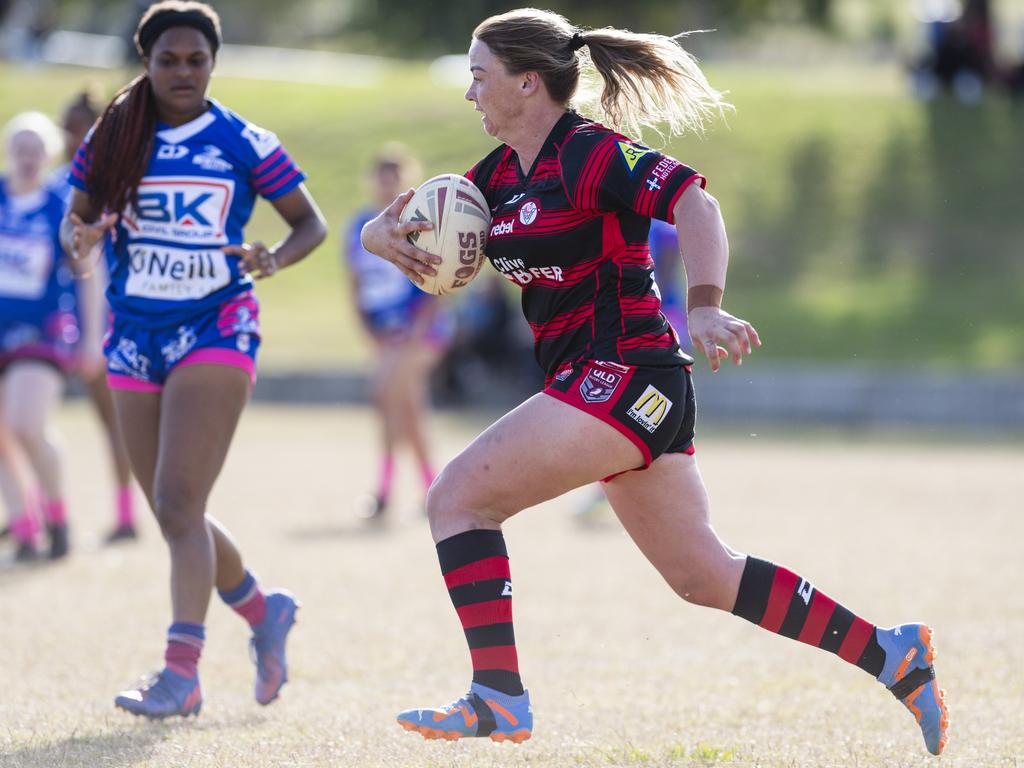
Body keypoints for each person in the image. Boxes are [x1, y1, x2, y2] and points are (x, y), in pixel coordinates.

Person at [360, 8, 949, 755]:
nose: (470, 93)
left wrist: (704, 307)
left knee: (457, 501)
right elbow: (380, 231)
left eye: (480, 76)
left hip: (626, 372)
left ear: (528, 82)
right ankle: (893, 652)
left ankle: (497, 696)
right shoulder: (495, 179)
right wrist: (388, 240)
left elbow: (694, 202)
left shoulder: (591, 154)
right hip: (611, 387)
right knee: (705, 576)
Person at [62, 0, 326, 719]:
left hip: (218, 325)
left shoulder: (242, 140)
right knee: (174, 511)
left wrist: (274, 256)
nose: (183, 71)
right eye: (168, 59)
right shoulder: (113, 137)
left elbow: (311, 223)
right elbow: (76, 223)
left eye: (197, 59)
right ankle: (264, 609)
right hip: (133, 335)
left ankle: (181, 676)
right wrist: (80, 237)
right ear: (145, 62)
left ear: (214, 62)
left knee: (179, 504)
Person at [50, 89, 140, 543]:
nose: (73, 135)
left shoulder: (112, 185)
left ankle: (126, 513)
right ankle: (36, 510)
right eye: (68, 125)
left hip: (103, 316)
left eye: (82, 126)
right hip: (52, 321)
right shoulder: (53, 184)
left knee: (114, 418)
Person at [343, 145, 451, 520]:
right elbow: (354, 286)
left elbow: (443, 278)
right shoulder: (359, 226)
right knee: (406, 408)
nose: (387, 181)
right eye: (381, 174)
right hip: (386, 336)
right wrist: (369, 331)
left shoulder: (419, 222)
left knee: (386, 395)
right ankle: (432, 488)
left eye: (395, 175)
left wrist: (417, 328)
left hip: (419, 334)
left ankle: (385, 492)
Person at [0, 111, 81, 561]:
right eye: (20, 149)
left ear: (48, 157)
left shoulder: (59, 207)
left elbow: (88, 273)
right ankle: (24, 527)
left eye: (37, 151)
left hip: (43, 332)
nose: (28, 159)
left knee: (26, 423)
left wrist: (92, 339)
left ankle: (57, 515)